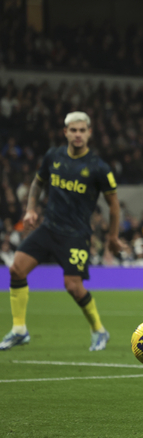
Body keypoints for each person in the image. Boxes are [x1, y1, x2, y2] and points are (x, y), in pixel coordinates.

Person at [1, 111, 125, 351]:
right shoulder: (53, 156)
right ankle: (19, 330)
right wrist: (30, 209)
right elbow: (38, 182)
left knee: (73, 287)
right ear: (65, 132)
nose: (78, 135)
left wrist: (112, 236)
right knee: (16, 269)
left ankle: (99, 330)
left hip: (75, 234)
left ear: (89, 133)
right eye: (73, 130)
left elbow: (114, 205)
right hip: (49, 227)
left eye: (82, 130)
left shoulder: (98, 167)